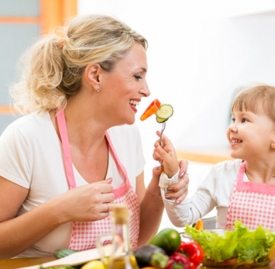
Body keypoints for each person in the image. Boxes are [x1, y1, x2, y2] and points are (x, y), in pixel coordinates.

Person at [0, 14, 189, 258]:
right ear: (95, 76)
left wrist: (159, 190)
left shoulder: (127, 136)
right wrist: (59, 210)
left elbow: (136, 240)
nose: (146, 90)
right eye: (137, 76)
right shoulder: (27, 138)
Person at [154, 84, 275, 231]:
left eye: (244, 120)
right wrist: (171, 174)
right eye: (233, 119)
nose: (232, 127)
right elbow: (184, 217)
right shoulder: (222, 174)